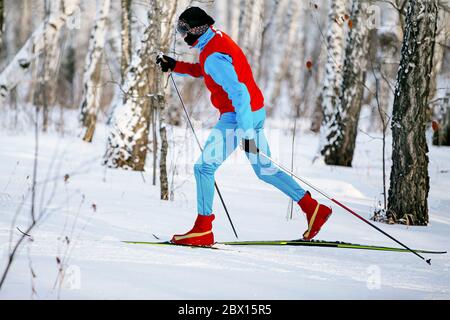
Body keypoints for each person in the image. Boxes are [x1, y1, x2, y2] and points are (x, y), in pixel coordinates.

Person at [156, 7, 332, 246]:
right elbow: (207, 72)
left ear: (196, 29)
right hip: (255, 111)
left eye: (184, 30)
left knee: (203, 168)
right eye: (180, 29)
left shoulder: (213, 56)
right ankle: (313, 209)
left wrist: (246, 133)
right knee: (265, 169)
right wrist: (176, 65)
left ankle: (203, 229)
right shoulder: (215, 40)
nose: (182, 35)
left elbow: (238, 92)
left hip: (237, 116)